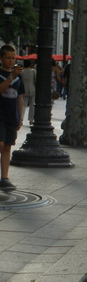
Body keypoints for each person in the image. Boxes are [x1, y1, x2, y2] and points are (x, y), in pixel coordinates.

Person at [0, 45, 25, 191]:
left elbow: (20, 97)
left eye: (13, 58)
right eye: (8, 58)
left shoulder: (18, 76)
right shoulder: (7, 75)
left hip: (11, 114)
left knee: (8, 145)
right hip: (0, 114)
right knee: (0, 144)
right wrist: (11, 77)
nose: (11, 61)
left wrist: (20, 117)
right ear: (1, 58)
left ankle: (4, 177)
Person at [20, 58, 36, 126]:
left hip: (24, 89)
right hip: (32, 88)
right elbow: (35, 80)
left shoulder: (22, 72)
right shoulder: (33, 71)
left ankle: (21, 119)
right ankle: (31, 120)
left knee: (23, 104)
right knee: (32, 105)